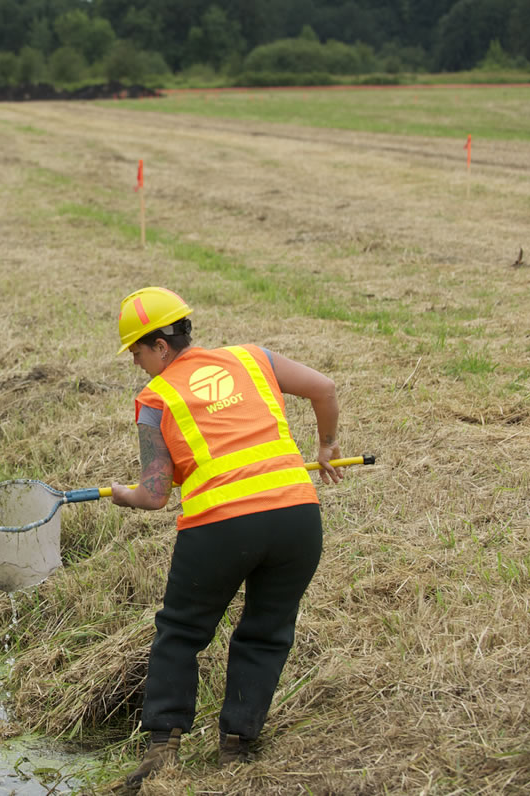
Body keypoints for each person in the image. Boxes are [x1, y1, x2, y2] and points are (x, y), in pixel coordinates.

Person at [109, 287, 342, 792]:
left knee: (182, 631)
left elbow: (153, 495)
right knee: (267, 629)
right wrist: (326, 446)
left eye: (136, 351)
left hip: (220, 526)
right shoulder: (252, 358)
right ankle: (238, 743)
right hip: (298, 518)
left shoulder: (154, 400)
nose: (135, 363)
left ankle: (163, 747)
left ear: (160, 346)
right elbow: (323, 388)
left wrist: (121, 495)